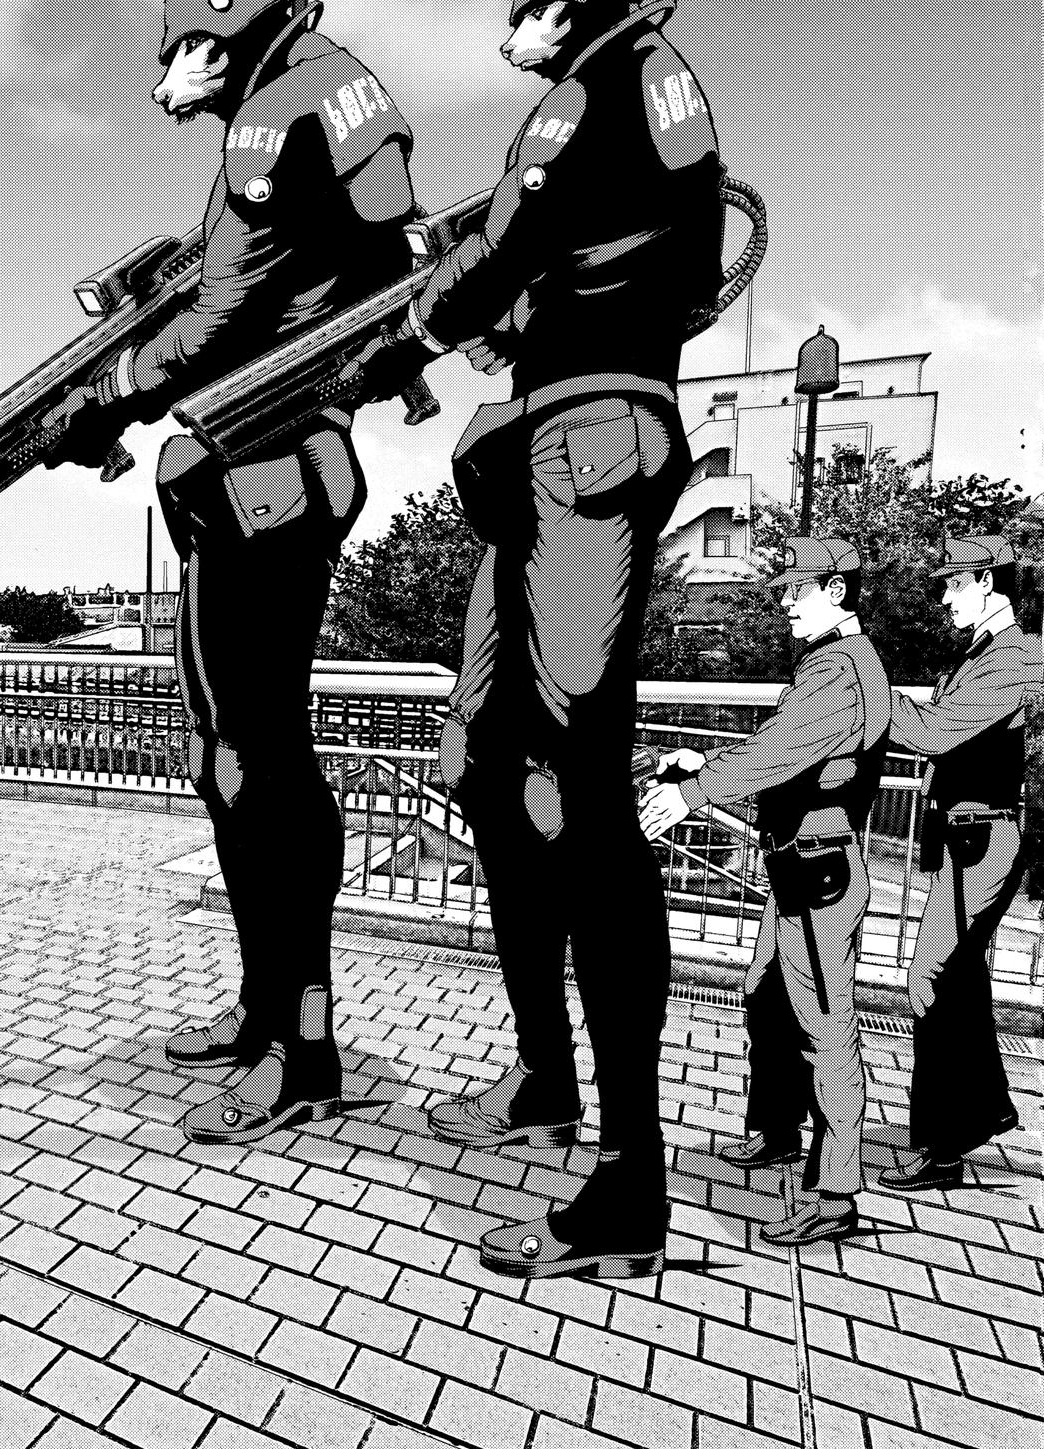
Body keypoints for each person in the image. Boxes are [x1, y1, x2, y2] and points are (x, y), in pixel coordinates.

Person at [340, 0, 724, 1277]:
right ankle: (547, 1082)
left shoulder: (593, 90)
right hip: (564, 432)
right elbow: (602, 269)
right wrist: (517, 304)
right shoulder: (650, 93)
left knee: (580, 794)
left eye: (524, 5)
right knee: (496, 772)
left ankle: (627, 1186)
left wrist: (415, 321)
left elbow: (503, 252)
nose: (510, 24)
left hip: (587, 436)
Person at [42, 0, 422, 1145]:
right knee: (231, 759)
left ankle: (303, 1049)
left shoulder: (280, 110)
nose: (174, 76)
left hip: (269, 467)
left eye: (189, 49)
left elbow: (222, 312)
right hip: (264, 465)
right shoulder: (326, 100)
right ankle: (266, 1013)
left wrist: (108, 394)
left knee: (260, 763)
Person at [641, 539, 887, 1247]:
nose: (784, 604)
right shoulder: (834, 663)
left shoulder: (840, 668)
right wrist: (705, 760)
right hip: (798, 868)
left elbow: (780, 753)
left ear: (835, 591)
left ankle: (834, 1193)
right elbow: (783, 746)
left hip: (817, 872)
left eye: (796, 591)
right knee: (766, 998)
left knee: (825, 1030)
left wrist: (695, 789)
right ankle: (777, 1131)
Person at [878, 536, 1037, 1191]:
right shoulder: (983, 652)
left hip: (983, 840)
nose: (944, 597)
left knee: (930, 980)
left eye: (954, 583)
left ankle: (944, 1148)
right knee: (959, 982)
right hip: (968, 838)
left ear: (989, 584)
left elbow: (933, 732)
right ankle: (976, 1117)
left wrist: (863, 687)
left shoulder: (1014, 658)